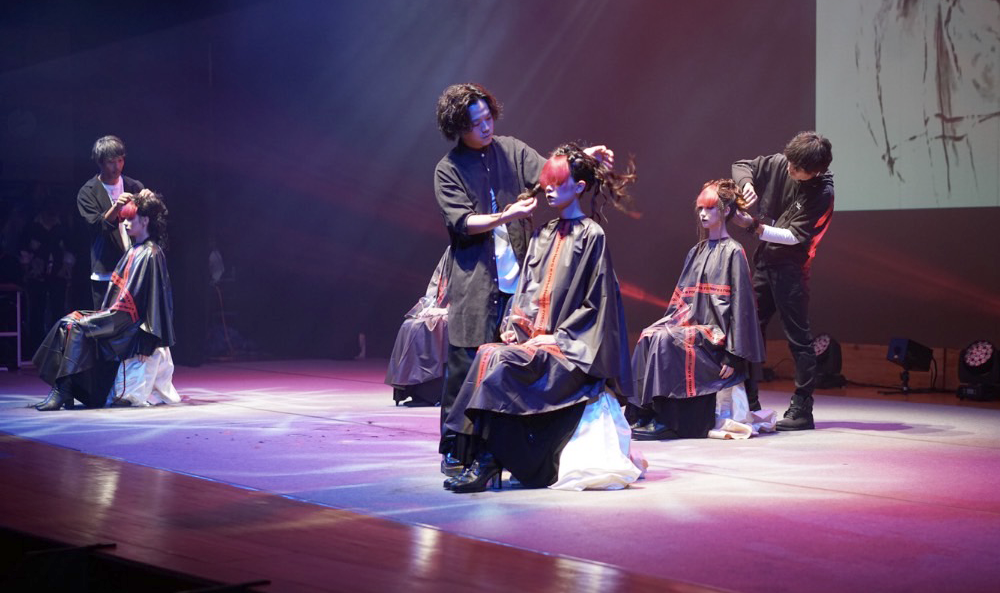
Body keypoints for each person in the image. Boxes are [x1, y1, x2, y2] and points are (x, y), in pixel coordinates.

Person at [433, 83, 613, 475]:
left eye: (488, 118)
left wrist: (584, 158)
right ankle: (455, 448)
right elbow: (463, 221)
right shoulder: (448, 170)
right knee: (467, 365)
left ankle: (499, 453)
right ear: (458, 127)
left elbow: (551, 171)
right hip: (477, 284)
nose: (486, 127)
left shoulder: (510, 150)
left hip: (518, 283)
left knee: (506, 368)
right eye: (476, 123)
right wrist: (506, 216)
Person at [442, 143, 640, 493]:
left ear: (579, 187)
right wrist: (516, 326)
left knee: (501, 364)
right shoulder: (542, 234)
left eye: (558, 183)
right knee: (488, 353)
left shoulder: (592, 236)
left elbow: (598, 303)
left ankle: (487, 462)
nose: (548, 189)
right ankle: (479, 457)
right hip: (536, 342)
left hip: (572, 352)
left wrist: (559, 338)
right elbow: (526, 292)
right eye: (548, 182)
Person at [631, 180, 774, 440]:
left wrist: (734, 355)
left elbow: (742, 308)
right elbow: (680, 300)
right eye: (700, 208)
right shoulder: (695, 251)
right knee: (650, 334)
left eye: (710, 208)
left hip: (716, 336)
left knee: (665, 340)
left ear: (726, 210)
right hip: (694, 326)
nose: (703, 214)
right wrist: (669, 323)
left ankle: (668, 420)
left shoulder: (734, 252)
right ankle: (645, 410)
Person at [32, 190, 175, 411]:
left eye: (130, 219)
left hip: (128, 324)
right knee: (68, 322)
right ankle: (63, 389)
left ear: (145, 221)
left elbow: (156, 301)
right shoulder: (135, 250)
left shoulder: (151, 254)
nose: (125, 223)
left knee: (77, 327)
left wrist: (147, 339)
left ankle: (63, 391)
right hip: (118, 316)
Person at [731, 132, 834, 431]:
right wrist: (746, 185)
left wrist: (752, 226)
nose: (789, 170)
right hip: (765, 261)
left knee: (798, 337)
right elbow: (741, 165)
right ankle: (748, 399)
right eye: (789, 163)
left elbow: (793, 236)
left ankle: (802, 408)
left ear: (815, 171)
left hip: (791, 268)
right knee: (751, 329)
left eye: (796, 169)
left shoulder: (822, 193)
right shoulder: (782, 164)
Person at [78, 135, 145, 309]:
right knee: (106, 320)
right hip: (106, 271)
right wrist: (116, 207)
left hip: (134, 268)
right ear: (100, 162)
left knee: (134, 319)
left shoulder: (134, 186)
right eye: (111, 162)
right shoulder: (88, 192)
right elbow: (97, 227)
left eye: (120, 160)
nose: (117, 167)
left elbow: (149, 221)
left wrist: (150, 201)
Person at [385, 246, 451, 407]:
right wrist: (428, 307)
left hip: (461, 311)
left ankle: (429, 393)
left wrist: (447, 310)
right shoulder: (451, 251)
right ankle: (410, 388)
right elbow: (435, 287)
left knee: (427, 327)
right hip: (442, 308)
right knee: (410, 325)